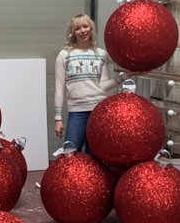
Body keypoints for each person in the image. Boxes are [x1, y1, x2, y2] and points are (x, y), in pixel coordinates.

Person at [54, 13, 134, 153]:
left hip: (99, 111)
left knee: (96, 155)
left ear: (91, 29)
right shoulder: (64, 55)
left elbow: (103, 86)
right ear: (72, 33)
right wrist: (58, 118)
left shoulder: (101, 54)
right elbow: (59, 89)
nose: (82, 31)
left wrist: (125, 76)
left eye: (85, 26)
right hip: (77, 112)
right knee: (70, 154)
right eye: (78, 28)